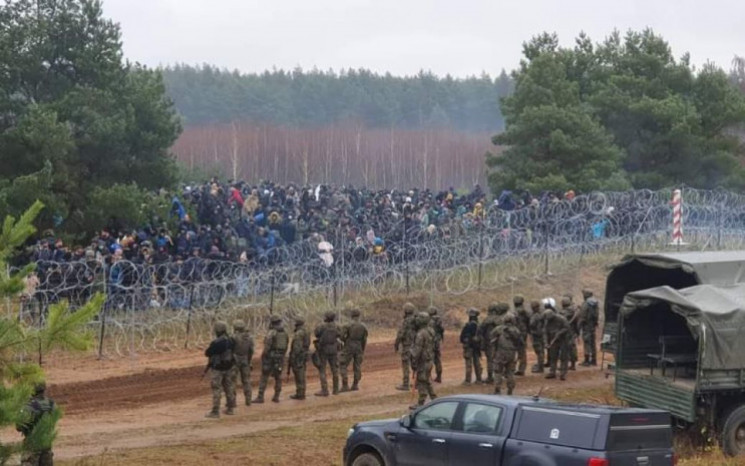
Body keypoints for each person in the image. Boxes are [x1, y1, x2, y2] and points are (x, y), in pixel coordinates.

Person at [16, 382, 55, 466]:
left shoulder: (30, 406)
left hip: (32, 442)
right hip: (47, 441)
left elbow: (19, 427)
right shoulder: (51, 403)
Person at [254, 315, 289, 403]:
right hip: (280, 357)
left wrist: (264, 356)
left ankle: (260, 396)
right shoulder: (284, 333)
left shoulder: (271, 333)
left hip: (270, 357)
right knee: (278, 377)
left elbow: (267, 347)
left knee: (264, 376)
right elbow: (286, 345)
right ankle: (276, 396)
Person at [204, 321, 236, 417]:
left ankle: (215, 411)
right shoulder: (231, 340)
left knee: (217, 389)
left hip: (218, 368)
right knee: (228, 387)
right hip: (229, 367)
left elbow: (207, 353)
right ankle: (230, 408)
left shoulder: (216, 343)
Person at [490, 313, 524, 395]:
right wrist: (520, 354)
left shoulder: (498, 329)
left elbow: (491, 338)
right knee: (510, 372)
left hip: (500, 353)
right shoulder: (516, 330)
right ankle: (510, 390)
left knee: (498, 371)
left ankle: (497, 389)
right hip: (512, 353)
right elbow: (521, 343)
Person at [410, 312, 437, 408]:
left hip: (423, 361)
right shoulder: (431, 331)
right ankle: (434, 398)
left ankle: (421, 403)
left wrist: (413, 362)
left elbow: (417, 350)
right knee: (427, 379)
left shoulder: (421, 334)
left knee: (422, 381)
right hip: (429, 359)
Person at [339, 307, 368, 392]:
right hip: (359, 346)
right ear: (359, 315)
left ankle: (345, 385)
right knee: (357, 366)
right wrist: (362, 349)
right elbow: (364, 339)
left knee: (342, 363)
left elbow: (341, 336)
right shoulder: (363, 326)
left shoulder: (347, 325)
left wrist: (345, 341)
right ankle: (355, 384)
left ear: (351, 316)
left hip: (349, 345)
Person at [314, 311, 341, 396]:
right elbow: (340, 334)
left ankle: (324, 390)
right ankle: (336, 389)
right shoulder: (337, 326)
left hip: (323, 349)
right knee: (335, 369)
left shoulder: (321, 326)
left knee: (322, 369)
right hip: (334, 349)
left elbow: (316, 334)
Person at [543, 298, 570, 381]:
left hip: (563, 340)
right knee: (553, 356)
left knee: (564, 357)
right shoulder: (548, 321)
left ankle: (563, 373)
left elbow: (567, 328)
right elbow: (545, 332)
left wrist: (559, 333)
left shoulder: (561, 319)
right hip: (553, 340)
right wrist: (546, 342)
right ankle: (552, 372)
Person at [394, 303, 417, 390]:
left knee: (405, 364)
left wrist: (396, 344)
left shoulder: (406, 321)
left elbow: (401, 334)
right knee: (415, 364)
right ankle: (417, 382)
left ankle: (405, 384)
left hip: (407, 346)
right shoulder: (416, 320)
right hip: (415, 345)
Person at [231, 319, 254, 406]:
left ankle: (232, 402)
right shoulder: (249, 337)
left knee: (233, 381)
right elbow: (251, 351)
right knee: (246, 380)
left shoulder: (233, 337)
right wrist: (249, 361)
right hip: (245, 359)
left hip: (235, 360)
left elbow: (230, 350)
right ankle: (248, 400)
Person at [289, 316, 311, 400]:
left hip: (299, 356)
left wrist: (293, 357)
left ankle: (300, 393)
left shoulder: (299, 333)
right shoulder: (306, 331)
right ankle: (301, 392)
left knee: (299, 374)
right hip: (304, 354)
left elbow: (297, 347)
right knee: (301, 373)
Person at [460, 308, 483, 385]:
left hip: (469, 346)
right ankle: (479, 379)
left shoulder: (468, 325)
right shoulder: (479, 325)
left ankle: (468, 380)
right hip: (476, 347)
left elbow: (462, 337)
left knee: (468, 364)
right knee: (477, 363)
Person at [478, 304, 499, 383]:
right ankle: (498, 376)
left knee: (490, 360)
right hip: (499, 342)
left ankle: (490, 377)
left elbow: (480, 330)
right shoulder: (499, 319)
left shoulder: (487, 320)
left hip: (489, 342)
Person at [579, 290, 599, 366]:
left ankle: (587, 360)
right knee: (593, 343)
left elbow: (583, 316)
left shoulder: (586, 303)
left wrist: (579, 325)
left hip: (586, 326)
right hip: (592, 325)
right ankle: (594, 360)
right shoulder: (595, 303)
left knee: (587, 342)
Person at [560, 295, 579, 371]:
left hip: (565, 332)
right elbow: (576, 323)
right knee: (572, 347)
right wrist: (577, 332)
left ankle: (565, 364)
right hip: (572, 331)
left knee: (565, 348)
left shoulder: (562, 312)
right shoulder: (573, 312)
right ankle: (573, 364)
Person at [513, 295, 531, 376]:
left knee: (513, 350)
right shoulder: (526, 312)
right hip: (523, 332)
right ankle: (521, 369)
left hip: (514, 332)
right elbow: (529, 322)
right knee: (522, 351)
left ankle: (512, 368)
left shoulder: (514, 312)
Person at [428, 306, 445, 383]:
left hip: (431, 343)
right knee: (437, 360)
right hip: (437, 342)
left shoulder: (429, 321)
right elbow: (442, 330)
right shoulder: (439, 320)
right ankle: (439, 377)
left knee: (429, 360)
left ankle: (428, 377)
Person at [528, 300, 545, 373]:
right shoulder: (542, 313)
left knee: (539, 352)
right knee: (541, 351)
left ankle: (540, 367)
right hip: (542, 334)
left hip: (536, 335)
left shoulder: (535, 316)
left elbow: (532, 325)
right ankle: (540, 365)